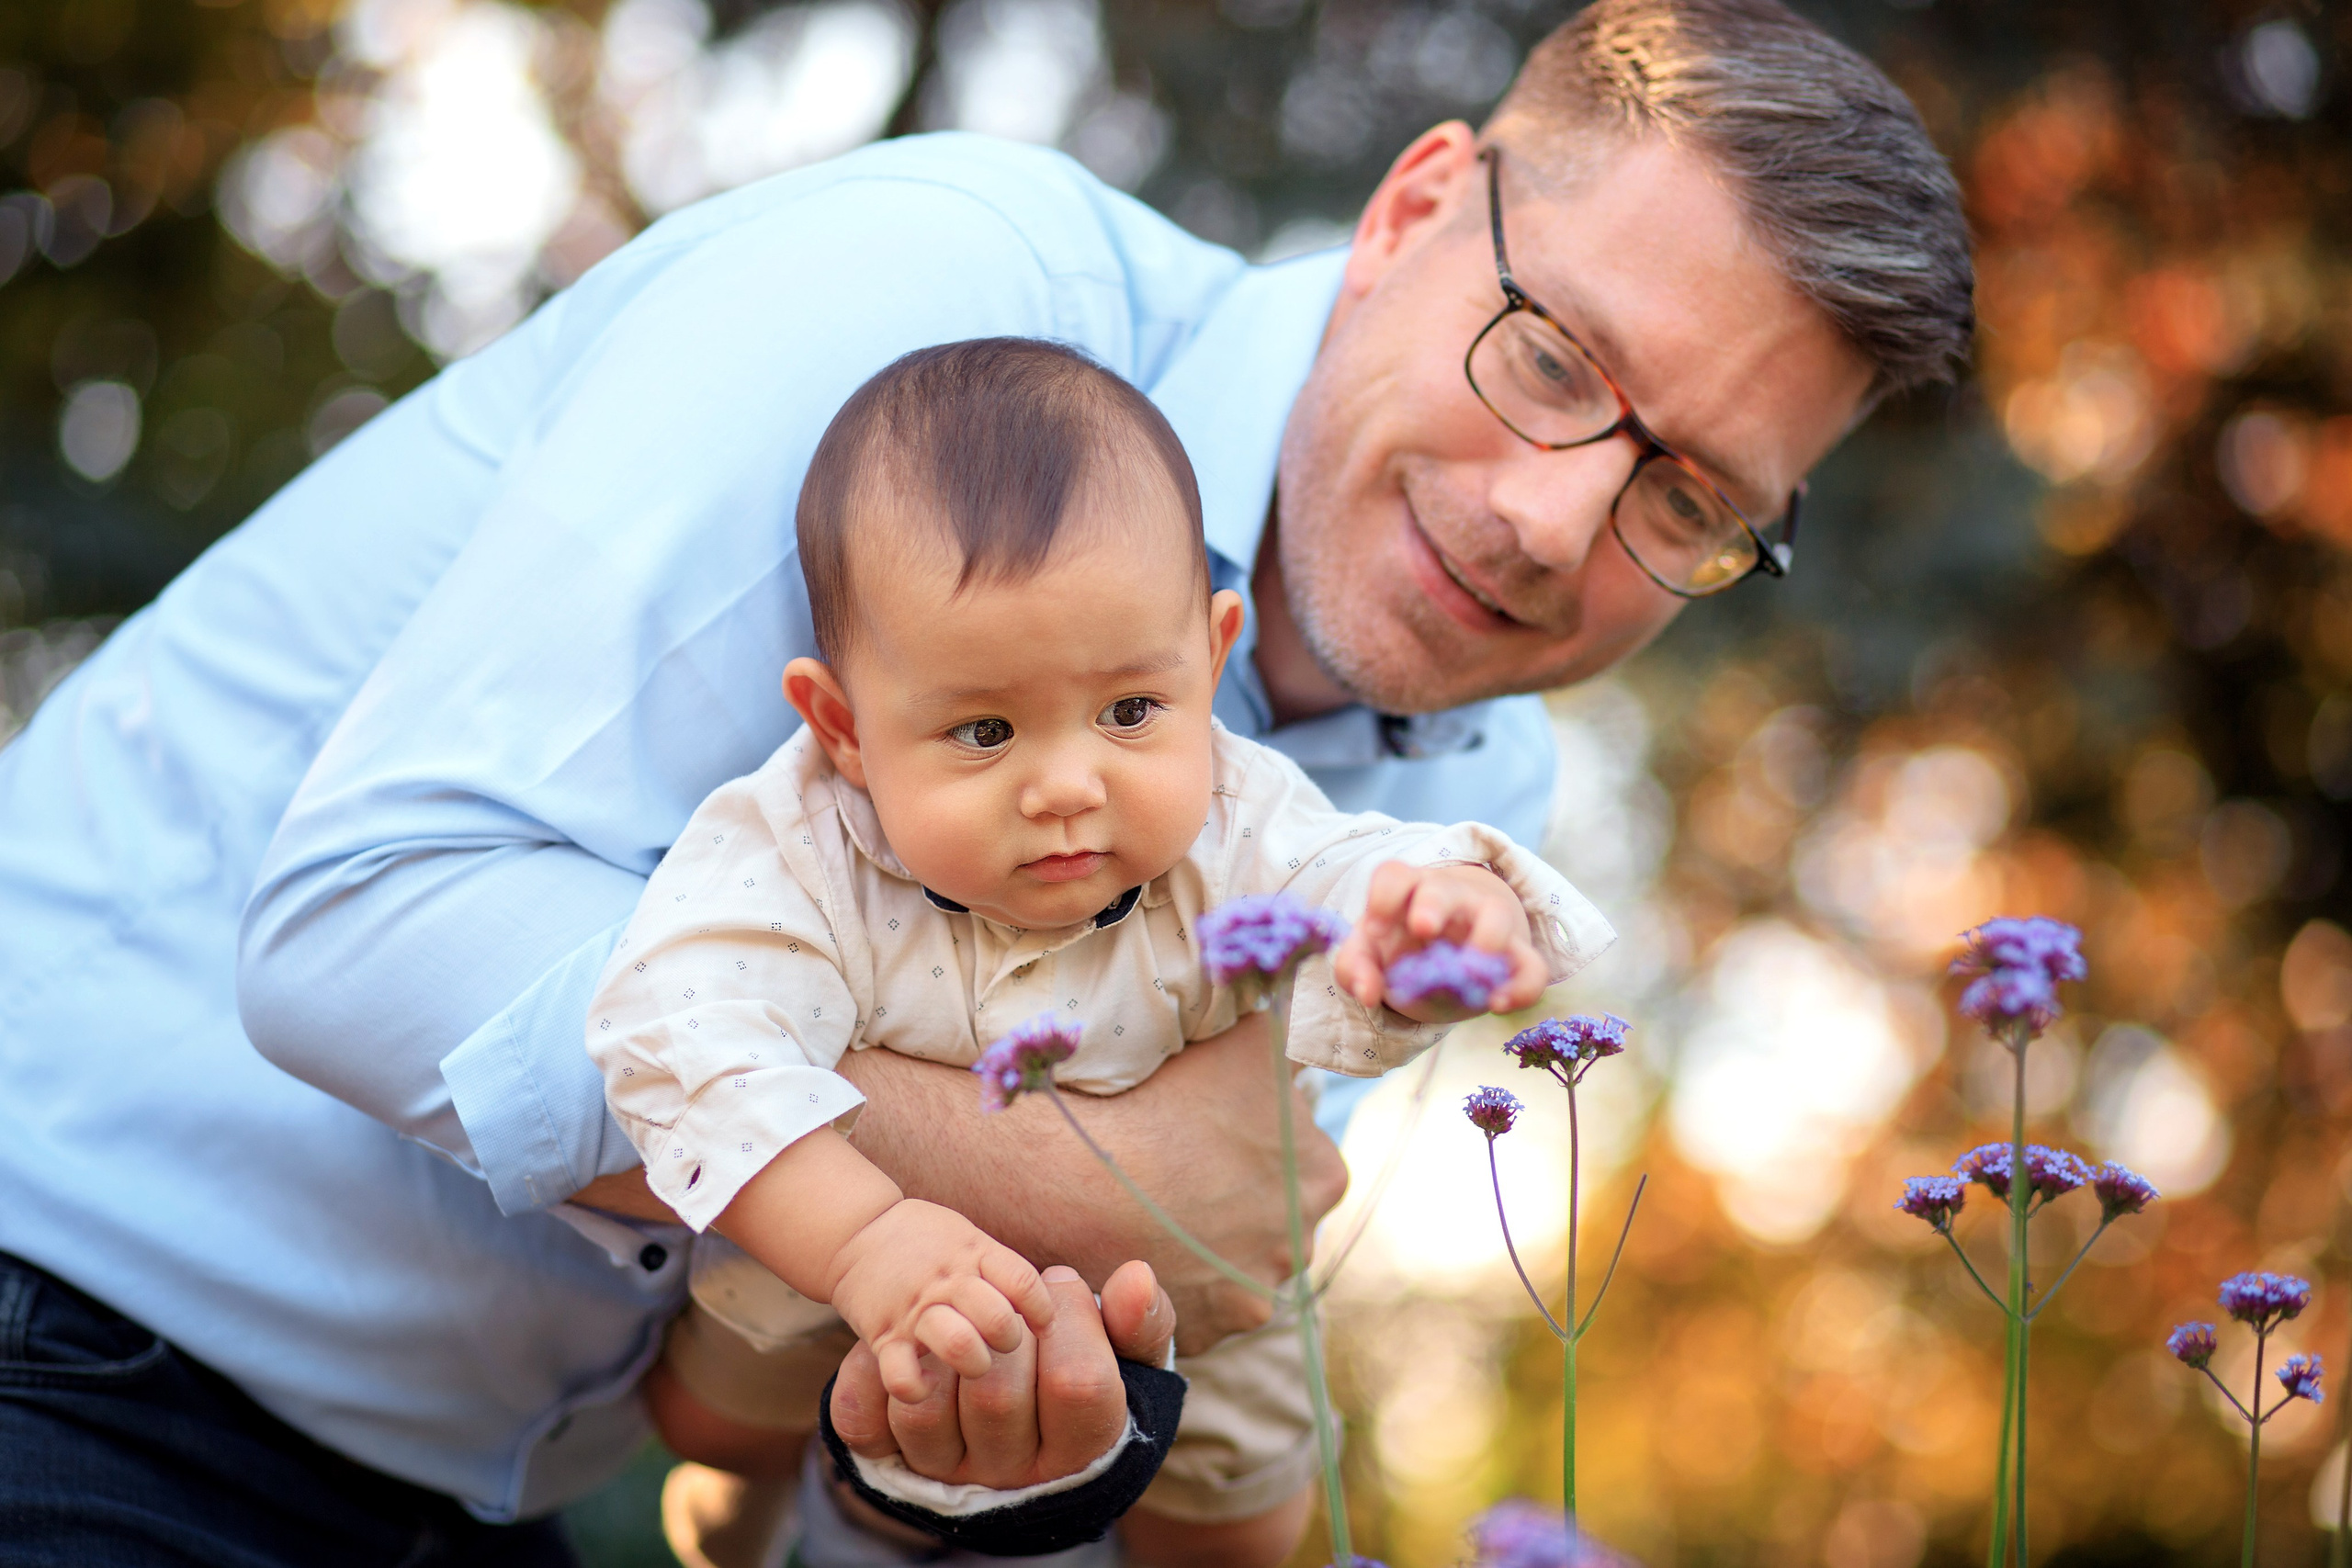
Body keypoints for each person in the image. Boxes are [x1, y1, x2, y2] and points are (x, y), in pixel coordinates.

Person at [0, 0, 1971, 1562]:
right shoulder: (944, 297)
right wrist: (1057, 1182)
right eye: (1550, 359)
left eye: (1689, 497)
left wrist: (955, 1459)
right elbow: (362, 921)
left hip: (482, 1502)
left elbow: (977, 1357)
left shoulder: (1465, 795)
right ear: (1406, 211)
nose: (1555, 523)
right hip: (71, 1330)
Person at [590, 336, 1612, 1567]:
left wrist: (1419, 915)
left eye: (1131, 711)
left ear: (1211, 654)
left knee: (1246, 1529)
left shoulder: (1239, 814)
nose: (1069, 786)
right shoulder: (797, 843)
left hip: (1180, 1279)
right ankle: (752, 1495)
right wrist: (864, 1244)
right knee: (707, 1411)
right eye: (983, 730)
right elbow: (686, 1025)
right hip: (855, 1258)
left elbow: (1330, 872)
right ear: (845, 728)